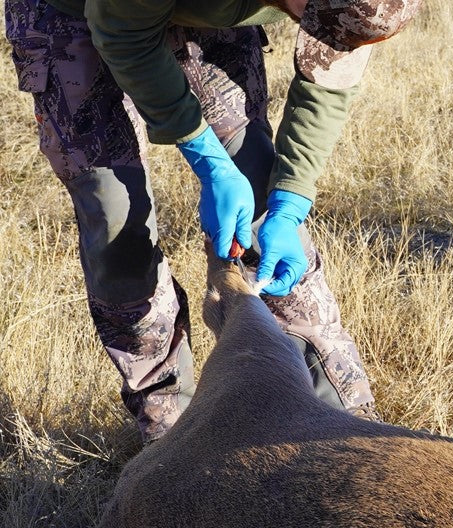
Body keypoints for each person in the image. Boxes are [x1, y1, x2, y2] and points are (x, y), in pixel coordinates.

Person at [4, 0, 420, 443]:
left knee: (259, 188)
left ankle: (338, 423)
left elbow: (329, 82)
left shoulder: (355, 9)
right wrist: (209, 161)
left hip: (206, 19)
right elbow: (121, 32)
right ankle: (173, 435)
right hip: (76, 15)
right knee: (116, 226)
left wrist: (292, 199)